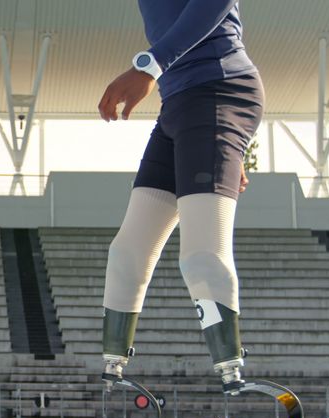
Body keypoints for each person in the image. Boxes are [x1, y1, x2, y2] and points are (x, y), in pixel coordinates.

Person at [97, 1, 264, 394]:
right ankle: (113, 377)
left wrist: (147, 66)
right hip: (180, 105)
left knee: (201, 255)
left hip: (219, 89)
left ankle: (233, 380)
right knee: (127, 253)